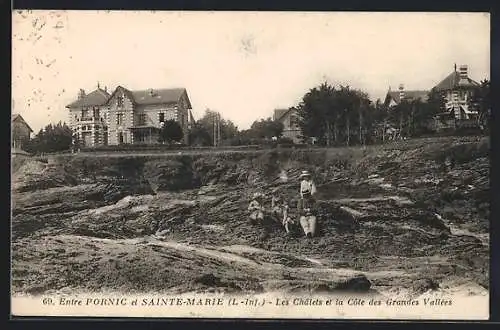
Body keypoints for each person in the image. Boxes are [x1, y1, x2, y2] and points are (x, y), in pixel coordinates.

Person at [298, 170, 318, 238]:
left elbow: (314, 191)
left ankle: (311, 234)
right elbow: (301, 192)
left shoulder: (311, 182)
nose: (305, 178)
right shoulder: (302, 183)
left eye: (306, 176)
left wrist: (310, 197)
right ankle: (308, 233)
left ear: (308, 176)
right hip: (305, 199)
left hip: (311, 197)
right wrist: (303, 198)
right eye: (304, 177)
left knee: (312, 225)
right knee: (304, 222)